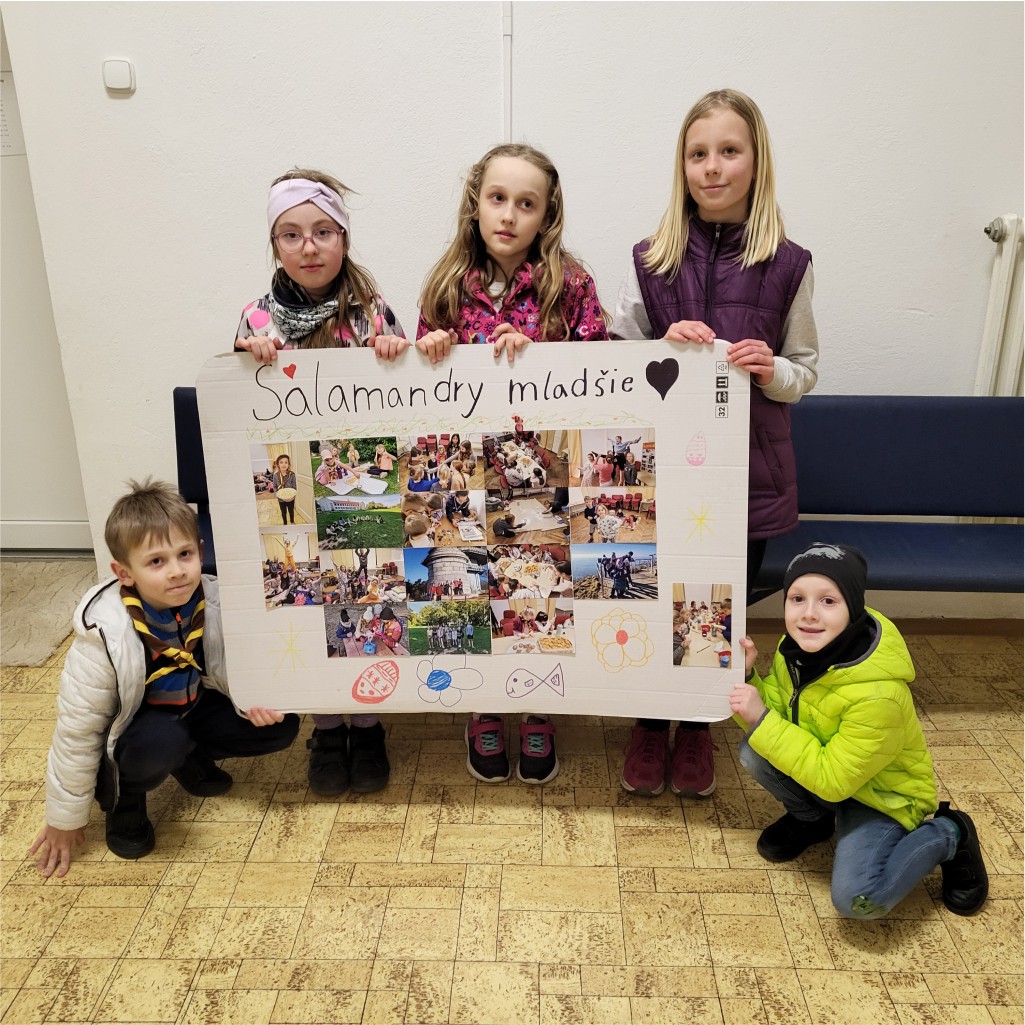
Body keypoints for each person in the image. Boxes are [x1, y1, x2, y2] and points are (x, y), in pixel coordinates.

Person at [613, 89, 820, 800]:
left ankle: (699, 723)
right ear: (682, 165)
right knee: (652, 594)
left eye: (729, 151)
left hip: (746, 477)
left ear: (756, 162)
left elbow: (805, 371)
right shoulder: (650, 259)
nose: (711, 167)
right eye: (697, 153)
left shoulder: (788, 262)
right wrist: (658, 346)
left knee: (715, 606)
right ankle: (649, 722)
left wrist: (772, 369)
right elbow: (616, 356)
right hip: (662, 472)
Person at [416, 142, 610, 785]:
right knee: (480, 587)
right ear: (476, 203)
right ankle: (484, 706)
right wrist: (431, 346)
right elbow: (415, 389)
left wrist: (545, 353)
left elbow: (603, 367)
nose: (509, 215)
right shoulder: (447, 284)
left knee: (535, 585)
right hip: (474, 471)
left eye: (527, 204)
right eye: (498, 199)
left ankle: (538, 707)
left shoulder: (570, 283)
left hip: (540, 474)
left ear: (546, 215)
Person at [28, 480, 300, 877]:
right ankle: (124, 801)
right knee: (161, 740)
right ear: (124, 573)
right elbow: (77, 732)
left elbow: (236, 665)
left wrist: (252, 702)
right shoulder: (104, 634)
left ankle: (186, 756)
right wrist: (64, 818)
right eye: (156, 562)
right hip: (137, 730)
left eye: (184, 554)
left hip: (192, 705)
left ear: (200, 552)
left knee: (282, 726)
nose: (176, 571)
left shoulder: (216, 600)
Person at [233, 169, 401, 795]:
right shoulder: (256, 317)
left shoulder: (372, 312)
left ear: (344, 238)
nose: (308, 247)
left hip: (360, 489)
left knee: (362, 598)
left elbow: (410, 401)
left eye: (323, 232)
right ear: (274, 244)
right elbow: (244, 407)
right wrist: (245, 358)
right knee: (310, 604)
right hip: (299, 493)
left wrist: (395, 353)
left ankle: (369, 724)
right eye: (291, 234)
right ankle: (326, 727)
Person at [730, 543, 988, 918]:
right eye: (797, 598)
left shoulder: (878, 695)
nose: (809, 614)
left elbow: (834, 780)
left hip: (881, 799)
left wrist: (761, 719)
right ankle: (812, 820)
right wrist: (750, 677)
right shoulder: (795, 650)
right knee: (754, 750)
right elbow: (783, 713)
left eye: (828, 601)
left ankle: (950, 834)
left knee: (860, 900)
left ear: (853, 607)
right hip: (831, 775)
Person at [270, 454, 297, 524]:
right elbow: (275, 486)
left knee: (291, 510)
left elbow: (294, 487)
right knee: (283, 512)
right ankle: (285, 523)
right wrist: (277, 494)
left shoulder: (292, 474)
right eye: (281, 462)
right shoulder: (276, 475)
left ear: (288, 464)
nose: (284, 464)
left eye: (286, 462)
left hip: (290, 498)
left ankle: (292, 521)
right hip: (281, 499)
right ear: (278, 464)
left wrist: (292, 497)